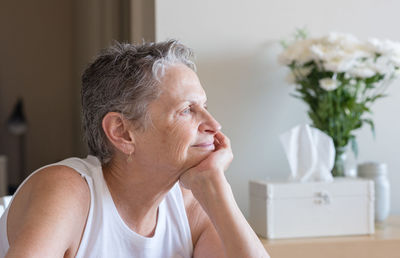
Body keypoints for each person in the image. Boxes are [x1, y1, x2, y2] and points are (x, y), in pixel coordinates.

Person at [0, 40, 269, 258]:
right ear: (122, 132)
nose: (214, 124)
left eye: (205, 108)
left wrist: (216, 187)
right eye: (187, 110)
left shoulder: (191, 204)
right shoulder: (68, 192)